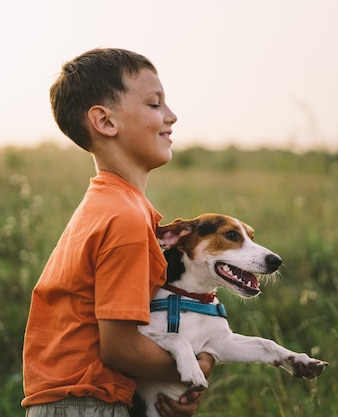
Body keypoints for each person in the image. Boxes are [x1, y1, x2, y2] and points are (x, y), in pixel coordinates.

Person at [21, 47, 213, 417]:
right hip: (84, 405)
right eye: (155, 104)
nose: (171, 116)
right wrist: (196, 370)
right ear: (105, 122)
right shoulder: (123, 217)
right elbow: (120, 348)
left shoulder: (113, 205)